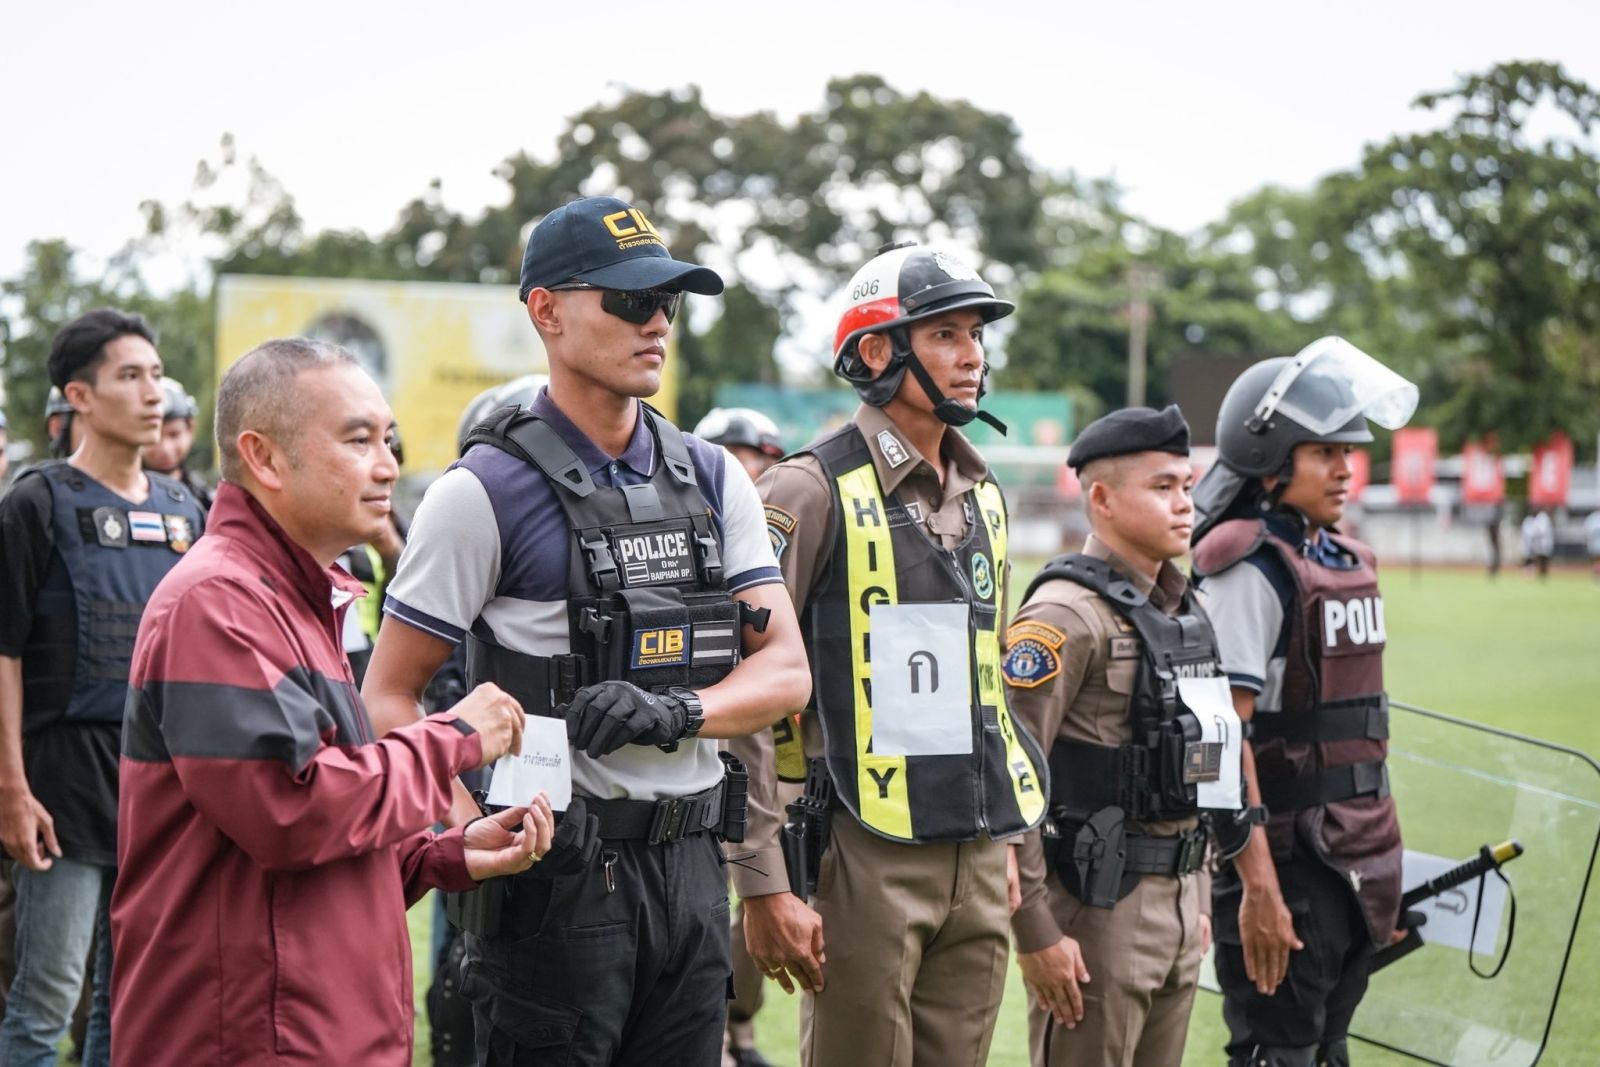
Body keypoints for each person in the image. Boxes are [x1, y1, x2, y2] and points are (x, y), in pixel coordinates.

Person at [361, 195, 810, 1066]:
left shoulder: (716, 477)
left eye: (667, 302)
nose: (658, 323)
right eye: (631, 299)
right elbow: (388, 694)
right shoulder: (481, 491)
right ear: (547, 310)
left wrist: (679, 712)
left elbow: (786, 670)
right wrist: (469, 833)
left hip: (692, 870)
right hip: (556, 877)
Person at [109, 337, 550, 1066]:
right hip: (249, 1039)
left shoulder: (300, 597)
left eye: (388, 439)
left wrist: (443, 854)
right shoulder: (216, 601)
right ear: (264, 457)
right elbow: (292, 812)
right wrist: (454, 737)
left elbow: (324, 843)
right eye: (358, 440)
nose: (388, 465)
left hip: (315, 1029)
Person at [731, 242, 1049, 1067]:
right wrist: (763, 880)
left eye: (976, 334)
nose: (973, 355)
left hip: (978, 851)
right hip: (858, 847)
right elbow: (743, 692)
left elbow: (990, 690)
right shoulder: (804, 489)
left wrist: (1010, 846)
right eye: (945, 333)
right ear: (877, 352)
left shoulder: (986, 493)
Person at [1189, 337, 1418, 1067]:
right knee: (1277, 1055)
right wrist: (1256, 885)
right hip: (1285, 865)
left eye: (1349, 451)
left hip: (1355, 860)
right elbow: (1218, 739)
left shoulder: (1340, 558)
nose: (1346, 468)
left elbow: (1353, 729)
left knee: (1327, 1052)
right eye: (1325, 451)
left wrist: (1383, 868)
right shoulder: (1246, 567)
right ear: (1271, 459)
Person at [0, 309, 206, 1066]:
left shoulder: (187, 512)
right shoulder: (35, 503)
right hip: (61, 785)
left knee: (130, 1006)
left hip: (159, 789)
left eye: (156, 375)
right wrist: (11, 789)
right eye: (130, 376)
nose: (153, 393)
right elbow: (3, 652)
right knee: (43, 1003)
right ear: (79, 396)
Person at [1006, 405, 1226, 1067]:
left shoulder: (1187, 610)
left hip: (1180, 903)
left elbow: (1206, 761)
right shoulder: (1064, 614)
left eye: (1186, 486)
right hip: (1096, 909)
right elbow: (1009, 774)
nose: (1184, 503)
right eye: (1163, 487)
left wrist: (1199, 893)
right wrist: (1035, 930)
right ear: (1101, 499)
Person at [693, 405, 788, 1067]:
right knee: (723, 891)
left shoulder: (774, 535)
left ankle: (742, 1026)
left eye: (760, 460)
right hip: (713, 746)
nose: (751, 473)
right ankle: (721, 1033)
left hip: (782, 750)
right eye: (737, 458)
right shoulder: (691, 535)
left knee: (771, 888)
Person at [141, 376, 214, 513]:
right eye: (155, 437)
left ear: (191, 430)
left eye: (174, 434)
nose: (165, 448)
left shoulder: (208, 502)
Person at [1520, 508, 1554, 579]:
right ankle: (1530, 573)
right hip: (1533, 543)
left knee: (1542, 559)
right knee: (1530, 558)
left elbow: (1541, 531)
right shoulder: (1530, 520)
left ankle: (1542, 574)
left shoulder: (1542, 518)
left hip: (1541, 543)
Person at [1584, 507, 1600, 581]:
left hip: (1593, 544)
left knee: (1596, 561)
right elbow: (1587, 533)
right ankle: (1596, 575)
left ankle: (1596, 575)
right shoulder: (1592, 518)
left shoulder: (1591, 518)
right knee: (1596, 560)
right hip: (1594, 544)